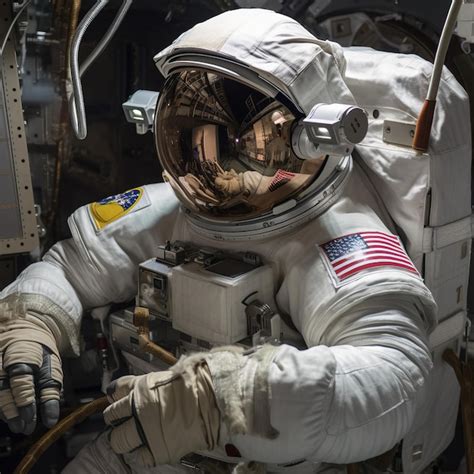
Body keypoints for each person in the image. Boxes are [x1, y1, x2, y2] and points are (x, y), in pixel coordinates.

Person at [0, 8, 457, 474]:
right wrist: (33, 320)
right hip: (141, 439)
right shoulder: (174, 211)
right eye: (193, 146)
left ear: (311, 138)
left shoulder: (340, 239)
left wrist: (230, 401)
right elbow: (68, 268)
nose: (214, 175)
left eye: (237, 151)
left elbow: (394, 376)